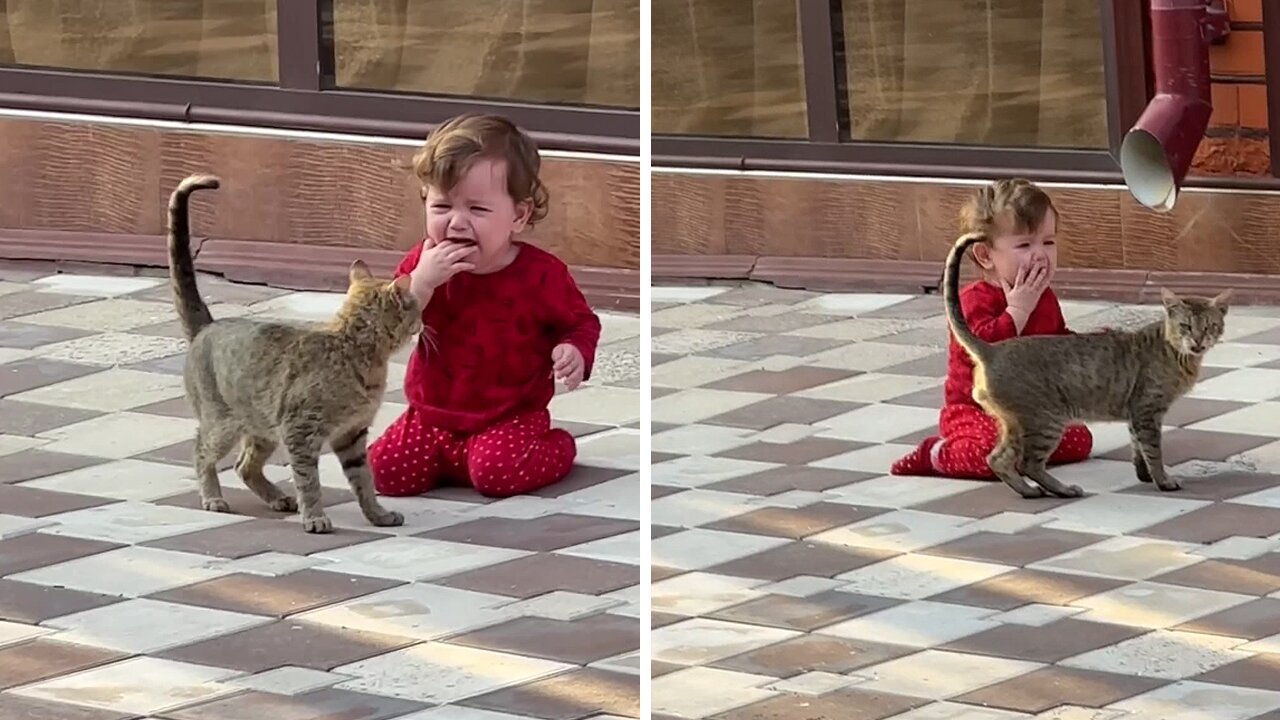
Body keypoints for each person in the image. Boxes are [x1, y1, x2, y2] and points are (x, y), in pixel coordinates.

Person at [369, 113, 601, 498]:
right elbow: (385, 328)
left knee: (496, 476)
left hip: (509, 416)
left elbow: (580, 323)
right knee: (385, 473)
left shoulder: (540, 275)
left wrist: (573, 350)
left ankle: (557, 446)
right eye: (442, 208)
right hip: (431, 415)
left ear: (519, 216)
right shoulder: (421, 263)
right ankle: (450, 460)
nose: (457, 223)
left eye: (477, 210)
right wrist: (423, 283)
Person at [890, 178, 1093, 478]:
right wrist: (1017, 312)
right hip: (975, 409)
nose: (1040, 254)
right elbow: (985, 354)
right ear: (985, 255)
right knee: (991, 454)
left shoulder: (1044, 297)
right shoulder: (972, 301)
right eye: (1024, 245)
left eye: (1048, 242)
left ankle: (1021, 453)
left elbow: (1055, 342)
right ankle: (935, 454)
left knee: (1079, 440)